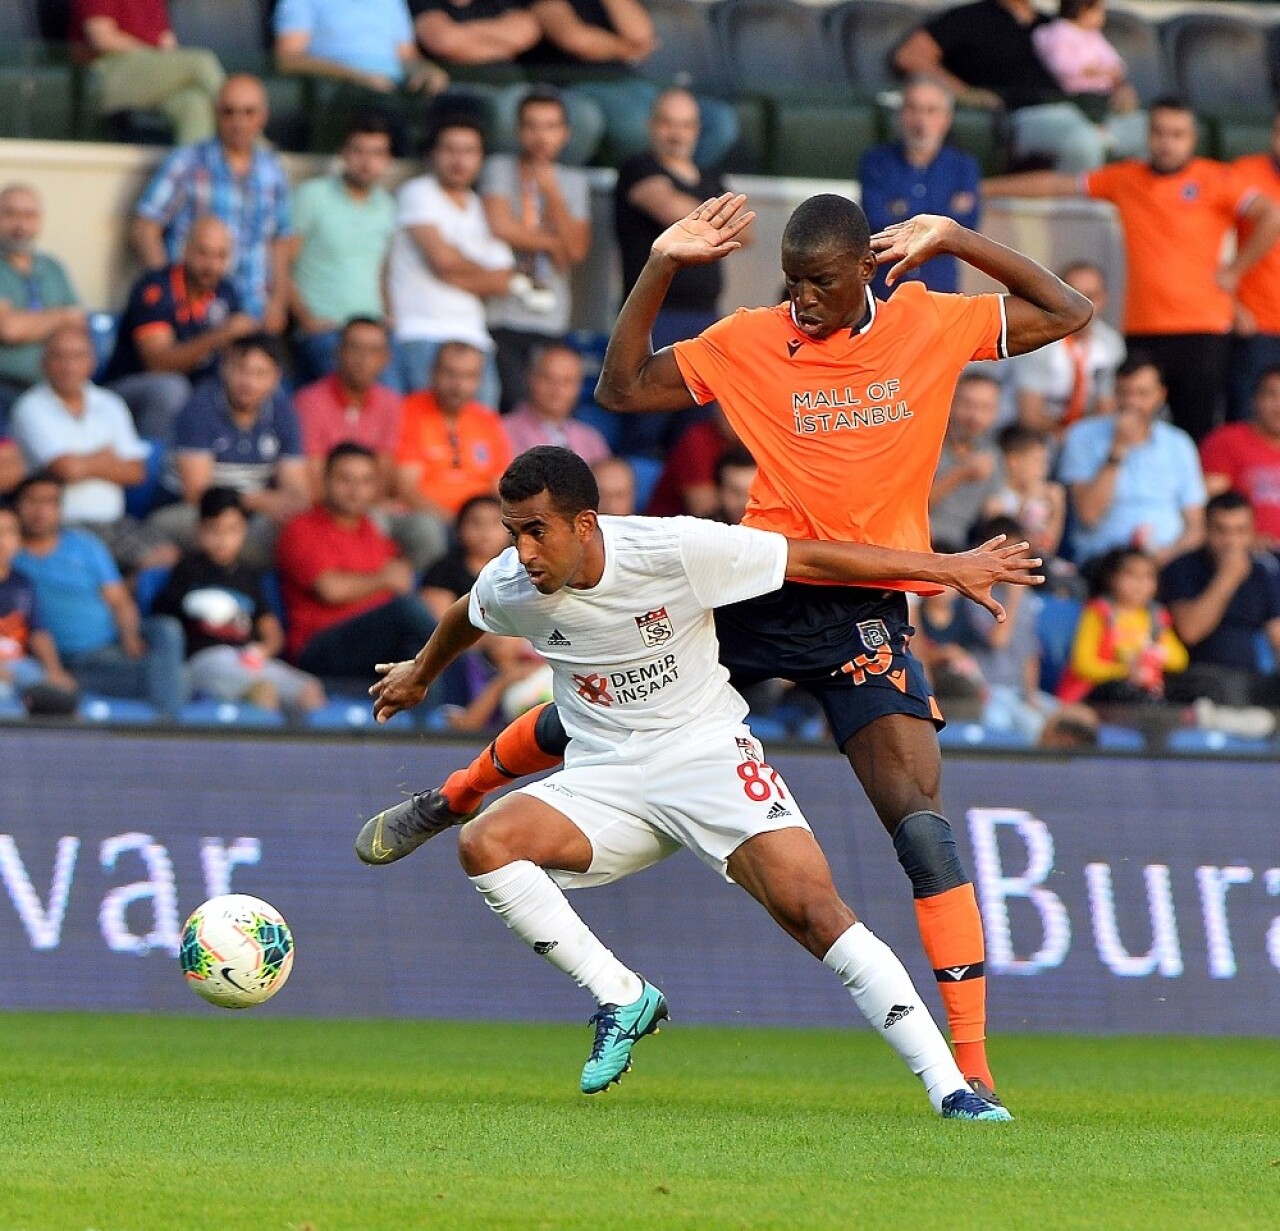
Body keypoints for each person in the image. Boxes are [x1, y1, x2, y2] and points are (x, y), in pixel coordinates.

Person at [362, 190, 1093, 1101]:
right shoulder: (755, 338)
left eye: (819, 282)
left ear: (867, 266)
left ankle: (972, 1067)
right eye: (790, 283)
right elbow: (621, 388)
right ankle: (454, 796)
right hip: (762, 580)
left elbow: (1071, 312)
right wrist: (663, 263)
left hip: (864, 602)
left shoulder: (931, 323)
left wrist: (955, 237)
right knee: (618, 685)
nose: (803, 301)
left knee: (922, 825)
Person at [358, 446, 1030, 1117]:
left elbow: (812, 559)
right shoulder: (512, 584)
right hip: (603, 776)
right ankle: (622, 995)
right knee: (484, 844)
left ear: (586, 524)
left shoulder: (672, 549)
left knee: (816, 912)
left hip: (706, 758)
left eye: (537, 530)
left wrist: (943, 569)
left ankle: (952, 1088)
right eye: (514, 531)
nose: (524, 550)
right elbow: (464, 615)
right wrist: (420, 673)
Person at [984, 98, 1280, 443]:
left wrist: (1234, 271)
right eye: (1159, 132)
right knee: (1130, 424)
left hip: (1204, 328)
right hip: (1144, 326)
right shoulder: (1125, 178)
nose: (1167, 142)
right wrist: (984, 189)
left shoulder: (1215, 178)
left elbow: (1270, 216)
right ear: (1147, 134)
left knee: (1194, 429)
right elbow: (1058, 184)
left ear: (1193, 138)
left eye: (1177, 134)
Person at [13, 471, 186, 717]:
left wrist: (129, 635)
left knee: (166, 629)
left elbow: (119, 601)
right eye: (32, 501)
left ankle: (167, 722)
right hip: (60, 658)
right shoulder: (10, 552)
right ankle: (168, 723)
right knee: (170, 678)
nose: (40, 511)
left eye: (49, 502)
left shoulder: (85, 544)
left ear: (60, 509)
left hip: (108, 647)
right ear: (17, 506)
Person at [131, 75, 293, 330]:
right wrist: (171, 292)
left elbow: (280, 242)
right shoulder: (186, 162)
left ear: (264, 116)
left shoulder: (273, 171)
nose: (239, 122)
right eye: (229, 112)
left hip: (254, 311)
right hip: (196, 310)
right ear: (215, 114)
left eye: (249, 113)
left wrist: (278, 302)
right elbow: (145, 227)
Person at [386, 117, 529, 406]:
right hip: (421, 331)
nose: (459, 159)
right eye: (450, 149)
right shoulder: (418, 192)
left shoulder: (479, 205)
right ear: (432, 154)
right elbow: (443, 261)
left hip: (475, 337)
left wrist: (457, 271)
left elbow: (502, 281)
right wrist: (476, 273)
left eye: (469, 151)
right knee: (426, 433)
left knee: (477, 436)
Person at [10, 324, 173, 573]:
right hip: (61, 527)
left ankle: (124, 597)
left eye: (78, 356)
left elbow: (136, 472)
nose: (69, 365)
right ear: (43, 362)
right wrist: (107, 460)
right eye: (59, 356)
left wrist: (82, 462)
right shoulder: (30, 407)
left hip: (114, 524)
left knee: (168, 556)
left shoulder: (111, 404)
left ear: (92, 362)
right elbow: (65, 469)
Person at [153, 486, 325, 714]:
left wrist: (260, 651)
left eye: (232, 530)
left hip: (246, 659)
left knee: (310, 691)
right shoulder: (186, 570)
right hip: (205, 661)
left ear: (245, 531)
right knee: (262, 692)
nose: (222, 539)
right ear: (199, 530)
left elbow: (272, 633)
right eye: (213, 530)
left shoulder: (249, 577)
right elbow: (163, 614)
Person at [894, 0, 1117, 173]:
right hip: (1022, 117)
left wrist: (1121, 87)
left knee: (1142, 135)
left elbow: (1097, 65)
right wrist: (963, 92)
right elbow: (910, 55)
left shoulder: (1056, 25)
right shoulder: (972, 17)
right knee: (1083, 141)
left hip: (1082, 110)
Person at [277, 442, 437, 681]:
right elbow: (331, 589)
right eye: (345, 480)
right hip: (319, 646)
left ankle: (431, 713)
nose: (355, 490)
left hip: (372, 645)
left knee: (418, 653)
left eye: (365, 482)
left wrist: (392, 580)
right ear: (325, 480)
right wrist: (385, 579)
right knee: (408, 614)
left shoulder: (371, 531)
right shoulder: (302, 529)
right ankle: (459, 659)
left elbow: (401, 580)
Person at [151, 334, 310, 569]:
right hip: (192, 512)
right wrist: (261, 500)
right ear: (224, 367)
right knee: (239, 539)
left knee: (305, 528)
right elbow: (198, 494)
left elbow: (298, 491)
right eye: (241, 370)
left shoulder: (283, 412)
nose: (249, 383)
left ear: (276, 378)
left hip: (247, 514)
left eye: (261, 374)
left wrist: (274, 504)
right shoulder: (199, 409)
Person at [521, 0, 738, 169]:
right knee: (638, 123)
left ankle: (681, 182)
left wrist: (627, 45)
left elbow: (641, 35)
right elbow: (576, 40)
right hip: (575, 84)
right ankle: (648, 182)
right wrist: (627, 49)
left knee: (718, 121)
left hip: (632, 83)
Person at [481, 88, 592, 411]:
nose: (541, 135)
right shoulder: (499, 168)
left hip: (551, 318)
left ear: (565, 134)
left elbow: (576, 253)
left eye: (550, 126)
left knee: (547, 409)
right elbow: (500, 227)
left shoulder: (573, 181)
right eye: (532, 125)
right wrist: (555, 242)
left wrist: (552, 193)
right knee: (512, 406)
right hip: (502, 312)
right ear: (518, 131)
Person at [103, 216, 257, 442]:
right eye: (203, 253)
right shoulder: (155, 289)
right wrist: (220, 335)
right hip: (132, 389)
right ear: (185, 249)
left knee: (257, 382)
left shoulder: (227, 291)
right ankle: (158, 468)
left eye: (220, 256)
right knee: (172, 389)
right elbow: (159, 364)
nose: (211, 265)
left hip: (198, 387)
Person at [1058, 354, 1206, 569]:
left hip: (1167, 560)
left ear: (1161, 395)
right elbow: (1088, 515)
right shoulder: (1082, 436)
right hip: (1105, 560)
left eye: (1142, 393)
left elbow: (1196, 527)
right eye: (1124, 393)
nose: (1132, 402)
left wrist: (1163, 558)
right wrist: (1117, 448)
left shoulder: (1179, 443)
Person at [286, 114, 399, 383]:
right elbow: (280, 262)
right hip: (328, 330)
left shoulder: (387, 206)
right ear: (343, 153)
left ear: (387, 160)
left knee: (396, 402)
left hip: (375, 330)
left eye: (376, 153)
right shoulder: (312, 196)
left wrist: (389, 315)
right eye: (358, 151)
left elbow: (381, 270)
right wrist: (306, 320)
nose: (367, 161)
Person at [858, 77, 980, 297]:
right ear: (901, 114)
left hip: (940, 296)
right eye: (913, 109)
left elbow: (966, 227)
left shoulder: (964, 166)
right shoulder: (875, 162)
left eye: (931, 110)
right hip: (885, 292)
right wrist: (940, 221)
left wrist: (901, 212)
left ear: (946, 118)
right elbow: (877, 221)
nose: (921, 120)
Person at [1160, 490, 1280, 712]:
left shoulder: (1263, 572)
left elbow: (1277, 634)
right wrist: (1227, 578)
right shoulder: (1181, 568)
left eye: (1240, 531)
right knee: (1227, 689)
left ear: (1252, 531)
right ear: (1206, 529)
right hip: (1196, 676)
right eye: (1221, 531)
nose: (1231, 541)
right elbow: (1191, 631)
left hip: (1250, 679)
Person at [70, 0, 225, 144]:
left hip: (148, 71)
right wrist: (155, 55)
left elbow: (168, 43)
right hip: (102, 76)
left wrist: (164, 58)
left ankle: (192, 170)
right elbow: (101, 37)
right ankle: (246, 137)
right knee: (201, 61)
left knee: (192, 102)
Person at [1056, 545, 1187, 708]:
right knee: (1126, 691)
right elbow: (1083, 664)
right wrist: (1125, 671)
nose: (1140, 584)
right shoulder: (1099, 613)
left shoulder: (1155, 617)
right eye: (1131, 575)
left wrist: (1153, 655)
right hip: (1094, 694)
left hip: (1143, 690)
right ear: (1111, 578)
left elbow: (1180, 659)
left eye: (1148, 577)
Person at [396, 341, 513, 521]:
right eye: (451, 373)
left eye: (469, 376)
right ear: (433, 373)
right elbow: (407, 488)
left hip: (480, 522)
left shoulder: (487, 420)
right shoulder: (409, 412)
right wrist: (457, 523)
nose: (459, 385)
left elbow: (500, 487)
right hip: (431, 517)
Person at [1009, 261, 1123, 442]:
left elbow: (1106, 409)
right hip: (1029, 437)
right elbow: (1029, 416)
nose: (1083, 304)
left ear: (1104, 299)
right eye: (1074, 295)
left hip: (1084, 437)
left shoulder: (1111, 344)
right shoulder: (1038, 339)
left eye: (1091, 296)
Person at [0, 185, 84, 415]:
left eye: (29, 216)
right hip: (7, 388)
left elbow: (77, 323)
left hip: (58, 388)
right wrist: (60, 316)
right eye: (10, 214)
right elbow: (9, 329)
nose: (21, 225)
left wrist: (28, 323)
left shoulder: (52, 267)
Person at [1030, 0, 1145, 162]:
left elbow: (1114, 62)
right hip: (1075, 95)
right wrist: (1092, 70)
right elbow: (1062, 66)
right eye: (1098, 10)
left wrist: (1112, 72)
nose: (1102, 16)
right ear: (1083, 10)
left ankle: (1107, 133)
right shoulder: (1059, 32)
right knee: (1090, 109)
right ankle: (1098, 133)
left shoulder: (1093, 35)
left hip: (1104, 93)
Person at [273, 0, 447, 99]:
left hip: (394, 93)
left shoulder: (391, 2)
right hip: (337, 93)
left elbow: (406, 56)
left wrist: (425, 70)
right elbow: (287, 60)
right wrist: (357, 77)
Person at [0, 501, 77, 711]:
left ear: (18, 540)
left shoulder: (22, 582)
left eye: (8, 532)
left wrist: (54, 671)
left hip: (21, 668)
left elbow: (38, 632)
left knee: (61, 697)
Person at [1230, 111, 1280, 421]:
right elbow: (1210, 242)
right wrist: (1232, 305)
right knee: (1247, 423)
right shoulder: (1244, 174)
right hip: (1256, 321)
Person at [1199, 367, 1280, 551]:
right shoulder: (1227, 441)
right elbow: (1211, 508)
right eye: (1271, 395)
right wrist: (1246, 542)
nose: (1278, 404)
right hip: (1245, 553)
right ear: (1254, 400)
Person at [983, 425, 1069, 586]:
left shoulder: (1040, 500)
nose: (1042, 470)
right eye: (1037, 462)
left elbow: (1048, 547)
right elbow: (1006, 544)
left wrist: (1057, 508)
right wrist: (1026, 504)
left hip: (1038, 564)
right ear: (1014, 461)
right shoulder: (997, 500)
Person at [929, 372, 1003, 553]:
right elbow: (914, 505)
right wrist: (962, 473)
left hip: (962, 549)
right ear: (951, 402)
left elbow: (993, 512)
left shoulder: (992, 454)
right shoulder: (928, 443)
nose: (975, 416)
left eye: (985, 408)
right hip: (923, 541)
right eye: (968, 405)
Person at [501, 343, 608, 465]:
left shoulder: (591, 439)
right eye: (548, 378)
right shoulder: (501, 431)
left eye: (567, 381)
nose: (557, 389)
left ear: (579, 386)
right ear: (530, 378)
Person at [645, 405, 741, 518]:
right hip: (671, 528)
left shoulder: (754, 441)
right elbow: (705, 511)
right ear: (718, 409)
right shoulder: (697, 441)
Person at [712, 446, 756, 526]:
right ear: (718, 492)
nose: (744, 503)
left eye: (753, 494)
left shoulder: (780, 535)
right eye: (735, 492)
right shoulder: (699, 535)